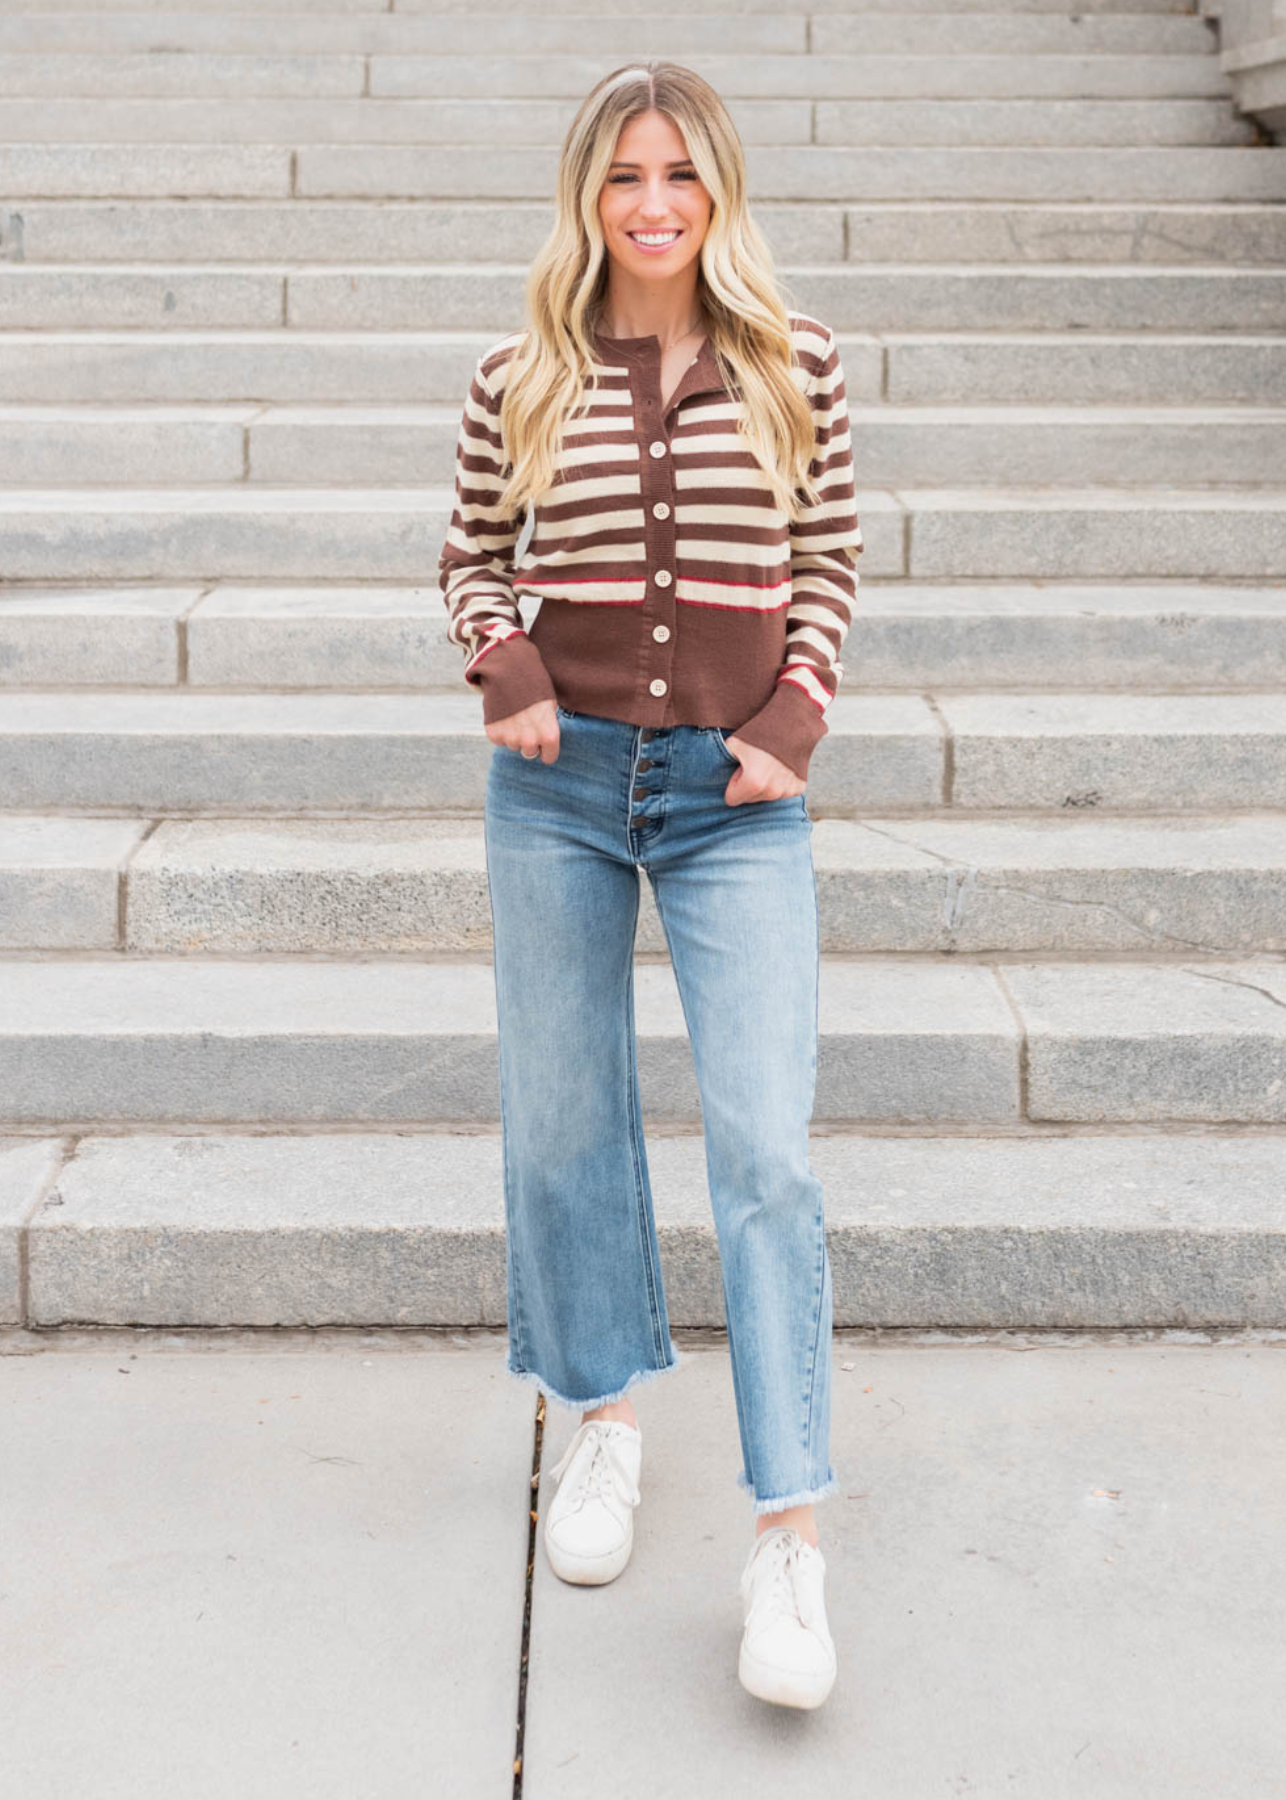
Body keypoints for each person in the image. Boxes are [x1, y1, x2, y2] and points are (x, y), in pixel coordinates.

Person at [438, 60, 863, 1711]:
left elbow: (825, 556)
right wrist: (508, 670)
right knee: (563, 1125)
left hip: (732, 799)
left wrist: (793, 722)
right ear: (586, 193)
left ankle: (789, 1538)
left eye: (679, 174)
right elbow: (472, 551)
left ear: (718, 188)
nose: (653, 202)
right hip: (554, 789)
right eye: (624, 175)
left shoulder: (794, 360)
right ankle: (601, 1421)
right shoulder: (518, 370)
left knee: (761, 1147)